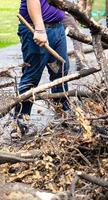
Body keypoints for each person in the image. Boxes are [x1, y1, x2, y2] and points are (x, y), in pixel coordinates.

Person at [13, 0, 70, 136]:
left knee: (60, 71)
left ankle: (63, 112)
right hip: (37, 29)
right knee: (32, 76)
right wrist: (39, 28)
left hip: (57, 28)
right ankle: (21, 122)